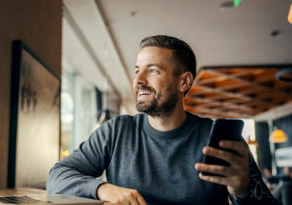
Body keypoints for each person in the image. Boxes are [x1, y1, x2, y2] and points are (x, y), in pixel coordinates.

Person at [46, 35, 278, 205]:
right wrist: (103, 189)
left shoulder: (218, 139)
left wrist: (242, 190)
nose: (138, 79)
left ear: (184, 82)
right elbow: (57, 176)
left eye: (153, 70)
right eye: (137, 70)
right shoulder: (116, 131)